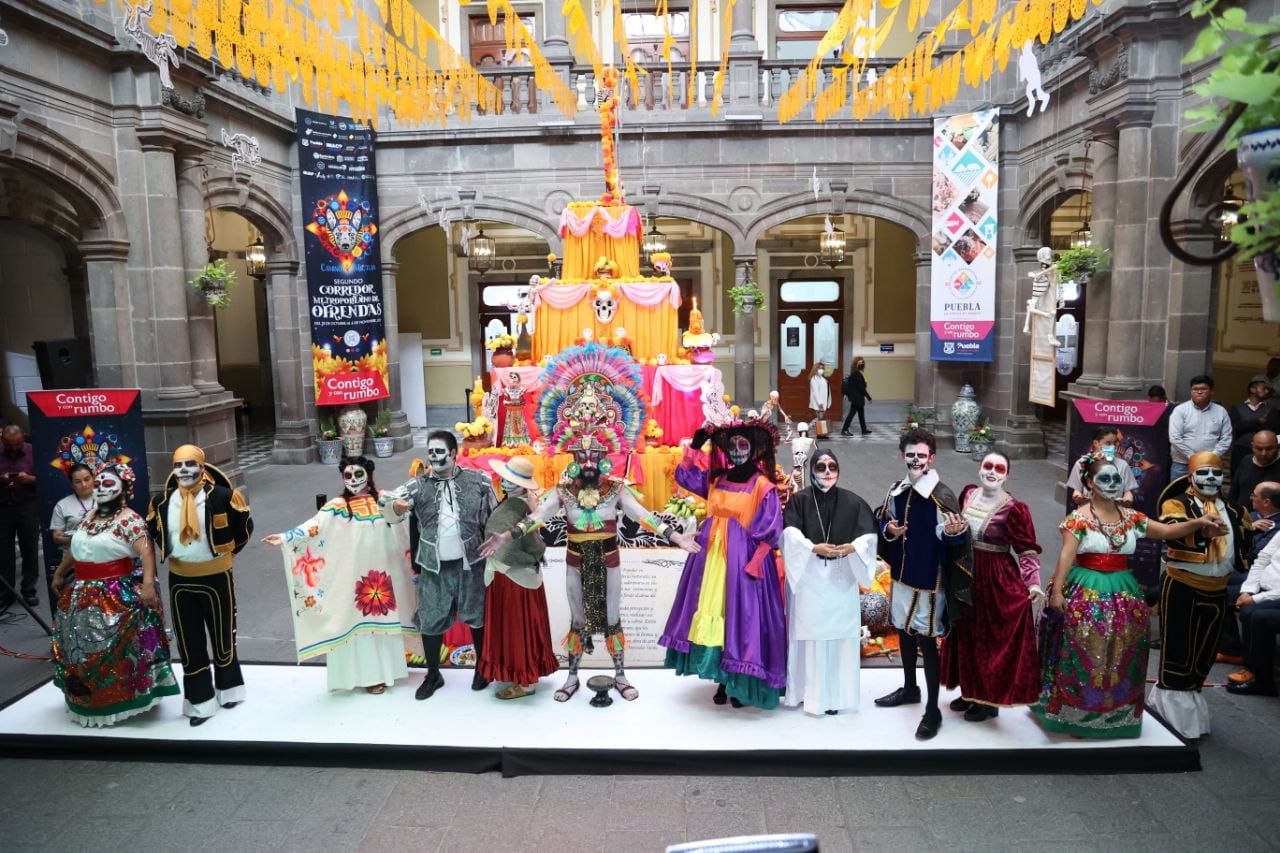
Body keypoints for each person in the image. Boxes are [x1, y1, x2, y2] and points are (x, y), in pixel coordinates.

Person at [482, 344, 699, 703]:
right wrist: (506, 534)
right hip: (576, 561)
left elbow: (644, 517)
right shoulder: (563, 490)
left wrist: (677, 537)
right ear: (572, 453)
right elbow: (535, 518)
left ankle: (620, 674)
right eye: (580, 454)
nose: (587, 459)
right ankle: (571, 677)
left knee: (613, 617)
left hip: (610, 561)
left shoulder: (616, 489)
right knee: (577, 619)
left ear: (604, 455)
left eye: (593, 454)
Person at [1034, 454, 1226, 739]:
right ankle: (1078, 713)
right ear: (1089, 483)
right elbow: (1067, 554)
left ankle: (1112, 713)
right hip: (1086, 588)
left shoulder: (1131, 517)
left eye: (1116, 479)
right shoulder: (1078, 519)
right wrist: (1058, 592)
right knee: (1087, 650)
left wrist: (1198, 522)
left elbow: (1167, 530)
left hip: (1124, 591)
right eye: (1104, 479)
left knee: (1122, 651)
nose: (1112, 484)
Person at [660, 417, 787, 710]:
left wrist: (755, 563)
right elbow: (683, 475)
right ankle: (721, 678)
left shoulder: (762, 486)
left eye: (743, 445)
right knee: (715, 615)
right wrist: (695, 445)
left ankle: (738, 682)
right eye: (733, 445)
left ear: (754, 449)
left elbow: (771, 530)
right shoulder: (717, 480)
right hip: (711, 564)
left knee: (740, 620)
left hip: (743, 564)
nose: (738, 450)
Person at [264, 457, 414, 694]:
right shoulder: (336, 506)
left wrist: (402, 508)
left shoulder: (384, 498)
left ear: (369, 474)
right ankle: (367, 677)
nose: (353, 480)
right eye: (348, 476)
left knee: (383, 622)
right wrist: (285, 537)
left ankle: (389, 672)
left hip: (384, 574)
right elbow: (313, 527)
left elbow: (401, 513)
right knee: (356, 624)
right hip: (353, 577)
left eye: (358, 474)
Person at [50, 463, 179, 726]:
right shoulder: (90, 517)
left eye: (107, 483)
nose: (99, 488)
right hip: (81, 593)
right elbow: (77, 548)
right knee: (81, 651)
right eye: (98, 483)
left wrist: (146, 586)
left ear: (124, 488)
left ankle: (118, 702)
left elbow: (146, 552)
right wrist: (61, 572)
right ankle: (87, 700)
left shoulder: (129, 520)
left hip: (114, 595)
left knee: (113, 654)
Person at [873, 429, 973, 741]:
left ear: (932, 458)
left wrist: (955, 534)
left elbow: (956, 538)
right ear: (903, 456)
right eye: (910, 455)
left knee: (928, 643)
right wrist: (888, 528)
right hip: (902, 576)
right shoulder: (897, 490)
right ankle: (910, 688)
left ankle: (933, 709)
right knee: (903, 631)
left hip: (932, 582)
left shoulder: (941, 494)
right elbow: (883, 519)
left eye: (921, 455)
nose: (915, 460)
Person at [382, 430, 495, 701]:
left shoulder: (479, 481)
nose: (433, 457)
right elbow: (387, 505)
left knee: (477, 617)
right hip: (434, 566)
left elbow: (494, 515)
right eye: (430, 452)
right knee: (431, 621)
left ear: (454, 453)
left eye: (439, 452)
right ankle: (433, 674)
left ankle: (481, 668)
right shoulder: (416, 486)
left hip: (471, 562)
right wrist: (396, 506)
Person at [146, 444, 254, 726]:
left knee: (223, 638)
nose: (183, 470)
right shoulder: (161, 502)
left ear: (202, 468)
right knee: (189, 643)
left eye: (189, 464)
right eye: (178, 465)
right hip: (181, 581)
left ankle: (229, 688)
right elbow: (155, 534)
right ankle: (200, 702)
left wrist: (224, 555)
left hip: (217, 577)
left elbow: (244, 529)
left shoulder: (224, 497)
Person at [1148, 451, 1252, 738]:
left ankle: (1191, 708)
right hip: (1183, 585)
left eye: (1215, 473)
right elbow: (1169, 531)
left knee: (1204, 652)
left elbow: (1243, 542)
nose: (1210, 478)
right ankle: (1169, 714)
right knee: (1178, 651)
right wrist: (1202, 532)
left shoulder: (1234, 510)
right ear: (1191, 476)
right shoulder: (1177, 503)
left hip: (1217, 589)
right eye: (1203, 472)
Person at [942, 452, 1043, 721]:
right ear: (979, 470)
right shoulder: (967, 494)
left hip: (996, 577)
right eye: (988, 466)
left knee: (989, 637)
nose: (992, 472)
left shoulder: (1015, 508)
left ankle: (988, 701)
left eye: (999, 469)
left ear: (1007, 475)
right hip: (965, 572)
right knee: (966, 631)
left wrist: (1032, 584)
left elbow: (1026, 551)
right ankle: (969, 690)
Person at [780, 449, 878, 715]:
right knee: (810, 639)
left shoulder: (853, 502)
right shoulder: (799, 501)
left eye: (832, 466)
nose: (827, 472)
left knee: (838, 639)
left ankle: (835, 698)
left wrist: (852, 548)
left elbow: (869, 536)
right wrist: (812, 548)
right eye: (821, 467)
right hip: (810, 580)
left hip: (841, 580)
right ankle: (806, 693)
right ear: (812, 470)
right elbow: (788, 533)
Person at [476, 456, 558, 699]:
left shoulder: (519, 507)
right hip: (510, 573)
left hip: (513, 575)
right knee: (521, 626)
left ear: (523, 485)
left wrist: (523, 555)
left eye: (512, 481)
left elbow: (533, 541)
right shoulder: (521, 504)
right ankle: (524, 675)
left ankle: (526, 681)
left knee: (517, 627)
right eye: (505, 479)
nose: (505, 483)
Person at [1219, 482, 1280, 664]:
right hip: (1256, 577)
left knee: (1250, 611)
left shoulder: (1276, 525)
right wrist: (1248, 590)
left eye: (1254, 495)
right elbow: (1262, 558)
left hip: (1264, 584)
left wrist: (1253, 597)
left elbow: (1251, 553)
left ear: (1267, 502)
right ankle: (1227, 646)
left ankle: (1241, 657)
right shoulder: (1252, 516)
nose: (1251, 498)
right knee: (1215, 584)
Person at [1226, 531, 1280, 696]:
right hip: (1263, 587)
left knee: (1256, 615)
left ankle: (1262, 680)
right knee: (1221, 592)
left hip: (1274, 594)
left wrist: (1256, 599)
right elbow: (1263, 558)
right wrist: (1248, 590)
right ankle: (1231, 649)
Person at [48, 463, 96, 615]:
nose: (84, 484)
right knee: (79, 612)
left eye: (87, 479)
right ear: (72, 484)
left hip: (104, 563)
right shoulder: (63, 505)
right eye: (78, 481)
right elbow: (56, 536)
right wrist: (76, 537)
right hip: (74, 565)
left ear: (93, 478)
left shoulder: (108, 498)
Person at [0, 425, 40, 609]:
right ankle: (6, 593)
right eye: (10, 445)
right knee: (4, 551)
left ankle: (29, 590)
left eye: (17, 444)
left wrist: (30, 479)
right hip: (3, 506)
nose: (14, 448)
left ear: (23, 438)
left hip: (27, 505)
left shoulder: (34, 451)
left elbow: (46, 477)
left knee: (29, 548)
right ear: (3, 440)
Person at [1168, 374, 1231, 481]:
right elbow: (1175, 438)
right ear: (1191, 391)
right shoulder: (1180, 410)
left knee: (1207, 496)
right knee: (1178, 496)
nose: (1199, 392)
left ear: (1211, 391)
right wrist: (1193, 457)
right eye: (1195, 389)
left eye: (1203, 389)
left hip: (1210, 465)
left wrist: (1211, 457)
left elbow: (1226, 438)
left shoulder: (1221, 411)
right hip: (1182, 465)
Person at [1065, 427, 1137, 507]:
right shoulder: (1082, 463)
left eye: (1114, 443)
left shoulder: (1123, 465)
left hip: (1115, 511)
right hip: (1089, 511)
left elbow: (1128, 491)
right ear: (1096, 443)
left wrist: (1128, 499)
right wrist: (1078, 497)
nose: (1113, 447)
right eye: (1108, 443)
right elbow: (1077, 490)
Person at [1229, 378, 1279, 477]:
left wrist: (1248, 424)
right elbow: (1235, 427)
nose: (1267, 391)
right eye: (1264, 388)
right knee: (1237, 477)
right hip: (1240, 449)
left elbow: (1273, 431)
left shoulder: (1271, 411)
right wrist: (1258, 421)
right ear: (1253, 389)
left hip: (1263, 451)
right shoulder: (1237, 408)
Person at [1228, 430, 1280, 505]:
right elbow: (1234, 492)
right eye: (1259, 449)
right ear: (1252, 446)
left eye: (1269, 449)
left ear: (1278, 447)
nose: (1263, 454)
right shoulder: (1246, 461)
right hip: (1242, 513)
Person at [498, 371, 532, 449]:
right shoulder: (506, 390)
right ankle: (510, 443)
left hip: (519, 411)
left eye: (515, 377)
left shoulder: (522, 389)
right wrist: (511, 403)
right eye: (511, 377)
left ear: (518, 379)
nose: (513, 379)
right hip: (510, 411)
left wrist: (518, 402)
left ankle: (522, 443)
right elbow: (504, 401)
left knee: (520, 426)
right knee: (510, 427)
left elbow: (524, 401)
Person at [841, 357, 873, 436]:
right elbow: (861, 388)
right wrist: (869, 397)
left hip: (859, 398)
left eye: (862, 363)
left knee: (861, 414)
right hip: (856, 399)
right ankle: (844, 430)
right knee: (851, 414)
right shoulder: (856, 374)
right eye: (859, 363)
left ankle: (864, 429)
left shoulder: (858, 373)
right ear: (855, 364)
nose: (861, 364)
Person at [808, 362, 831, 436]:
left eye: (822, 368)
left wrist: (828, 402)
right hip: (819, 403)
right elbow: (815, 392)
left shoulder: (823, 379)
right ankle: (807, 428)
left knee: (821, 418)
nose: (821, 370)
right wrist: (819, 403)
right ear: (815, 369)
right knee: (819, 418)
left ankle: (821, 434)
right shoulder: (814, 379)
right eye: (819, 368)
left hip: (824, 402)